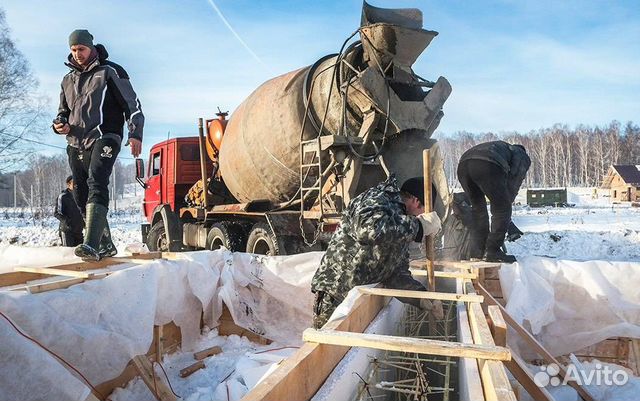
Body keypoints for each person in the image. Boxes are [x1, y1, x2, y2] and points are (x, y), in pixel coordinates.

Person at [53, 29, 144, 261]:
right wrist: (59, 125)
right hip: (75, 141)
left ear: (91, 48)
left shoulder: (110, 71)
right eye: (73, 50)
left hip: (106, 136)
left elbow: (132, 106)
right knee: (80, 191)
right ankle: (105, 243)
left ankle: (91, 244)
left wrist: (136, 134)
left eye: (81, 49)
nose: (77, 54)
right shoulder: (67, 80)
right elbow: (63, 112)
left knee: (96, 180)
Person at [311, 175, 443, 329]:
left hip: (359, 298)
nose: (417, 218)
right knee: (328, 348)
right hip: (337, 294)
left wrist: (421, 297)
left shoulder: (401, 221)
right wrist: (418, 226)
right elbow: (369, 230)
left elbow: (395, 273)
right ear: (416, 201)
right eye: (422, 214)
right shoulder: (378, 199)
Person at [456, 141, 531, 263]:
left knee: (478, 210)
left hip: (463, 166)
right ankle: (493, 251)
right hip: (486, 164)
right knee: (502, 209)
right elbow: (514, 179)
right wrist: (506, 207)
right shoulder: (520, 153)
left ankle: (477, 252)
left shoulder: (500, 147)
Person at [54, 175, 84, 247]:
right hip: (67, 230)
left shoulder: (81, 196)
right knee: (68, 253)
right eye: (74, 183)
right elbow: (57, 213)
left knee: (79, 255)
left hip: (79, 230)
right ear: (68, 184)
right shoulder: (63, 196)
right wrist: (67, 222)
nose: (76, 185)